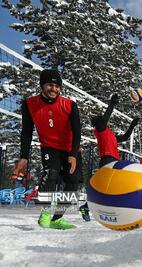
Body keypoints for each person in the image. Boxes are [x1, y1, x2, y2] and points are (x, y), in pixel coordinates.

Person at [13, 69, 82, 230]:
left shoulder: (70, 105)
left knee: (72, 183)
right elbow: (26, 132)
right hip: (49, 148)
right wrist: (24, 156)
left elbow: (77, 131)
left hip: (70, 148)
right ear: (42, 85)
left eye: (57, 86)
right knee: (50, 174)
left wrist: (73, 154)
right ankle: (44, 214)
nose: (54, 89)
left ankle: (57, 219)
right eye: (50, 85)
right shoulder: (29, 105)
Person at [79, 94, 141, 221]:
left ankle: (87, 206)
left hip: (113, 161)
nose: (103, 120)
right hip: (107, 160)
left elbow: (124, 138)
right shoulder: (100, 130)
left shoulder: (109, 134)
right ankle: (93, 207)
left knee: (107, 188)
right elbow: (104, 119)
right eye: (101, 119)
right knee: (113, 186)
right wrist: (111, 104)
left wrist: (132, 125)